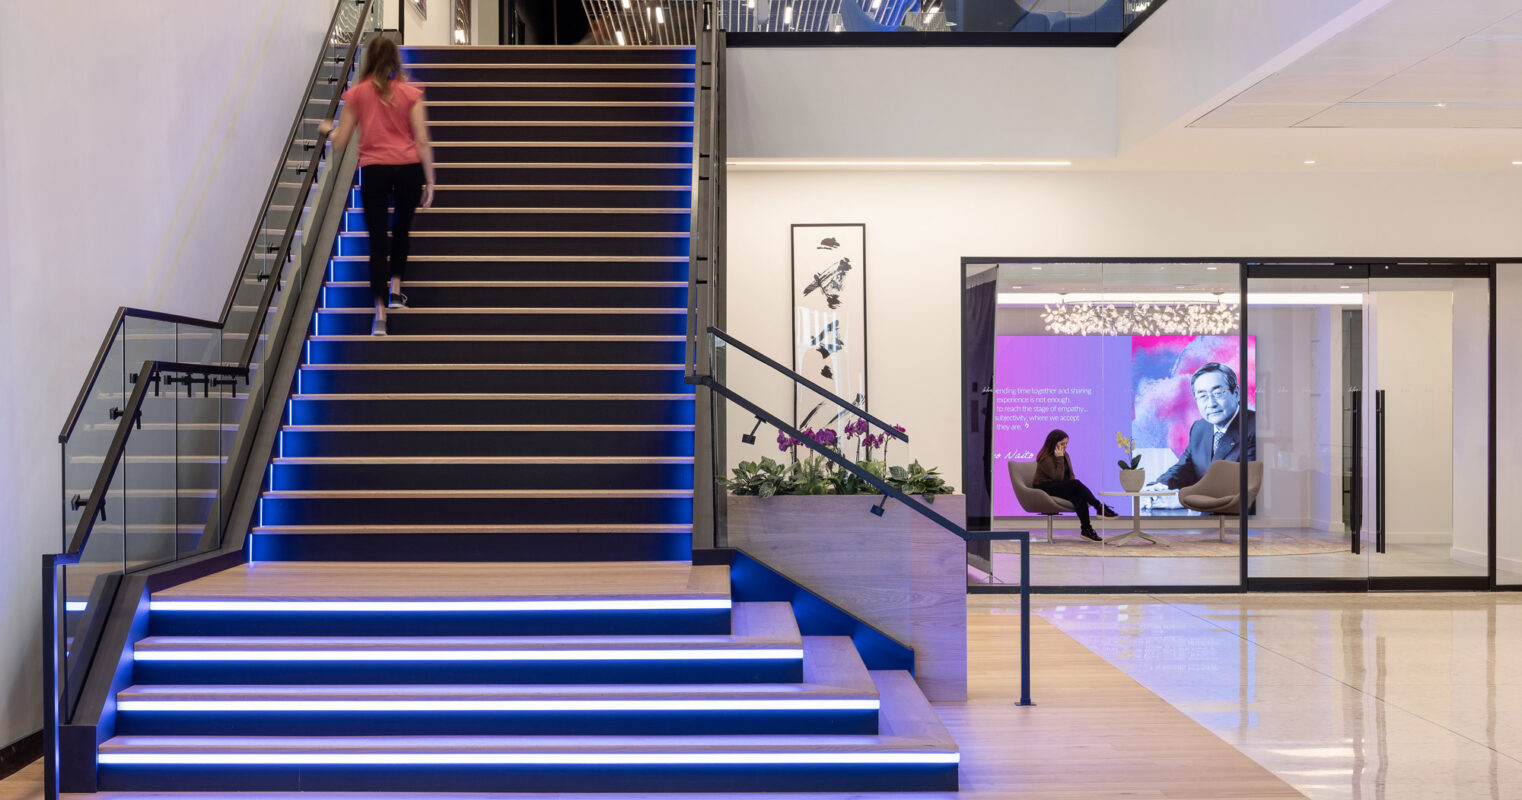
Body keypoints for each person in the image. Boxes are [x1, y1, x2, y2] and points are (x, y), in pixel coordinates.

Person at [318, 35, 435, 337]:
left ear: (369, 60)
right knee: (401, 230)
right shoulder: (410, 94)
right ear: (396, 60)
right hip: (408, 168)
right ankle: (396, 291)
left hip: (374, 171)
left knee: (377, 241)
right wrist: (430, 179)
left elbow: (342, 142)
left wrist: (328, 130)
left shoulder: (357, 95)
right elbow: (422, 140)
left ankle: (379, 315)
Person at [1150, 362, 1257, 490]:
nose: (1211, 403)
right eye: (1202, 396)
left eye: (1218, 393)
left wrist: (1182, 498)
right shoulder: (1199, 428)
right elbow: (1185, 467)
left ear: (1236, 394)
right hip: (1206, 507)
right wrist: (1162, 485)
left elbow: (1246, 484)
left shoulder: (1256, 426)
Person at [1033, 429, 1118, 542]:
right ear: (1053, 443)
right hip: (1044, 488)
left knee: (1079, 499)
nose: (1065, 446)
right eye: (1062, 444)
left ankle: (1086, 529)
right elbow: (1056, 478)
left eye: (1066, 443)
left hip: (1058, 487)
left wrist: (1074, 490)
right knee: (1076, 483)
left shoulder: (1065, 454)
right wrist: (1059, 458)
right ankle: (1099, 507)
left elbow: (1070, 475)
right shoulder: (1045, 458)